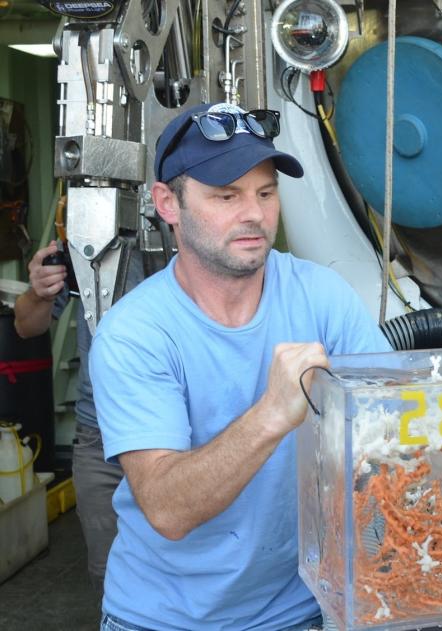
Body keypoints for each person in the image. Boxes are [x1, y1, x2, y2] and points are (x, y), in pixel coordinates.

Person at [89, 102, 391, 631]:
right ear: (168, 203)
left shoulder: (323, 298)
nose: (253, 213)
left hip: (299, 611)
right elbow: (167, 508)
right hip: (165, 620)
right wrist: (273, 412)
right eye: (226, 196)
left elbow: (392, 436)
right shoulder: (136, 333)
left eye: (266, 193)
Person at [14, 241, 143, 600]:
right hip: (100, 438)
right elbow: (26, 325)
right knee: (111, 579)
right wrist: (39, 293)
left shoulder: (189, 225)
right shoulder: (87, 236)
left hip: (187, 432)